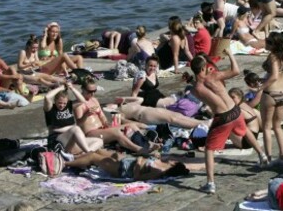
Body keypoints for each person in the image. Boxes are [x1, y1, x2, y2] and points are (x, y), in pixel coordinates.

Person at [190, 52, 268, 194]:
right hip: (235, 111)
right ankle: (262, 156)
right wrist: (230, 54)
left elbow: (200, 90)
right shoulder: (214, 76)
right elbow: (236, 71)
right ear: (204, 68)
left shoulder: (195, 89)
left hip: (223, 117)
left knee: (209, 148)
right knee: (244, 130)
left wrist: (192, 79)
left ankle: (210, 183)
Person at [73, 78, 154, 155]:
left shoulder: (94, 100)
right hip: (91, 133)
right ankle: (138, 149)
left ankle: (149, 143)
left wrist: (105, 122)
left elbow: (102, 115)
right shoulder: (78, 105)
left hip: (103, 129)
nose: (93, 94)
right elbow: (79, 124)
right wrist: (86, 114)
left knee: (131, 125)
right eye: (90, 91)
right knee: (117, 133)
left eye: (94, 91)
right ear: (83, 89)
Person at [65, 149, 203, 181]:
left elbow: (136, 177)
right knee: (99, 151)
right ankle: (75, 158)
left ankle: (65, 163)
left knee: (93, 157)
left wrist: (138, 162)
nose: (172, 159)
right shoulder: (162, 163)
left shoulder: (158, 172)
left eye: (174, 161)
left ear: (174, 165)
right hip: (126, 161)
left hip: (122, 169)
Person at [44, 82, 103, 155]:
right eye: (59, 103)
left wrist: (72, 88)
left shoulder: (69, 106)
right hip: (58, 139)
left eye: (64, 103)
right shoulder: (50, 109)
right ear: (55, 101)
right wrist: (60, 88)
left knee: (99, 141)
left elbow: (82, 101)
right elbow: (47, 97)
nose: (62, 105)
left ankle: (83, 154)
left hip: (72, 138)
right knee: (76, 129)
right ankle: (88, 153)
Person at [258, 32, 283, 165]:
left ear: (272, 44)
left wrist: (261, 87)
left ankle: (268, 159)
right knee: (278, 127)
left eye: (267, 41)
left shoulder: (273, 57)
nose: (265, 43)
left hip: (271, 92)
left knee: (266, 126)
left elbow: (274, 76)